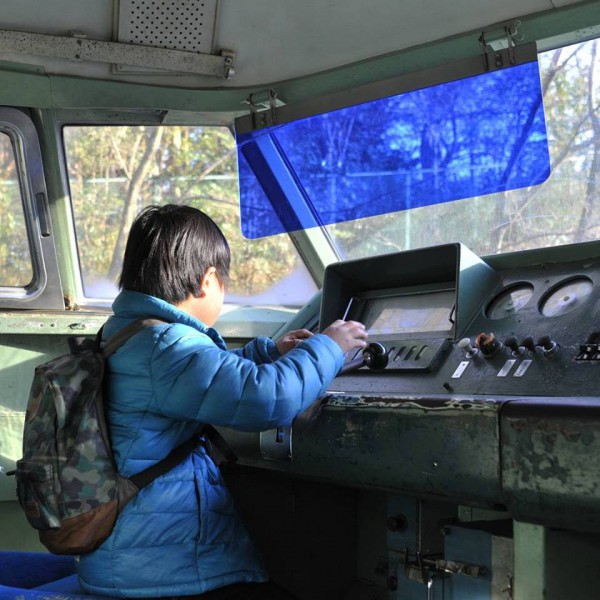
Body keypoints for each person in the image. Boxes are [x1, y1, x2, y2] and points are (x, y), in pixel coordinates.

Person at [77, 204, 368, 599]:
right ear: (206, 280)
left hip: (129, 558)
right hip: (164, 575)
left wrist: (267, 354)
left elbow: (203, 379)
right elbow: (269, 399)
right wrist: (330, 347)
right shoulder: (168, 344)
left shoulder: (129, 333)